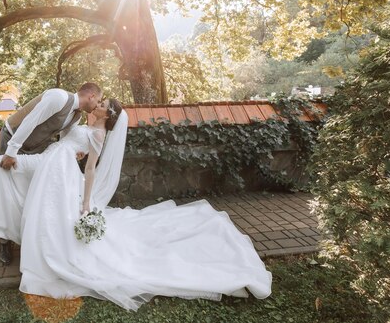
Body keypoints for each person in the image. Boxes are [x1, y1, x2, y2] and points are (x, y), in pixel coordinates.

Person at [17, 98, 273, 311]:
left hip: (66, 178)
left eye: (103, 103)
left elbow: (91, 169)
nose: (99, 103)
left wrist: (86, 202)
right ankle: (45, 246)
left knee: (60, 219)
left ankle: (50, 252)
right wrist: (75, 150)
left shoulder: (98, 133)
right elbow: (72, 145)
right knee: (51, 215)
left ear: (109, 114)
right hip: (58, 173)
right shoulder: (87, 122)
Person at [0, 83, 103, 265]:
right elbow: (31, 120)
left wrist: (73, 151)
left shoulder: (75, 116)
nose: (98, 104)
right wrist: (11, 151)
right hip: (13, 138)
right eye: (98, 100)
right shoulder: (58, 97)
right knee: (2, 178)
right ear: (91, 95)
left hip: (36, 147)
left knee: (28, 188)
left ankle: (20, 234)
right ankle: (2, 242)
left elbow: (65, 138)